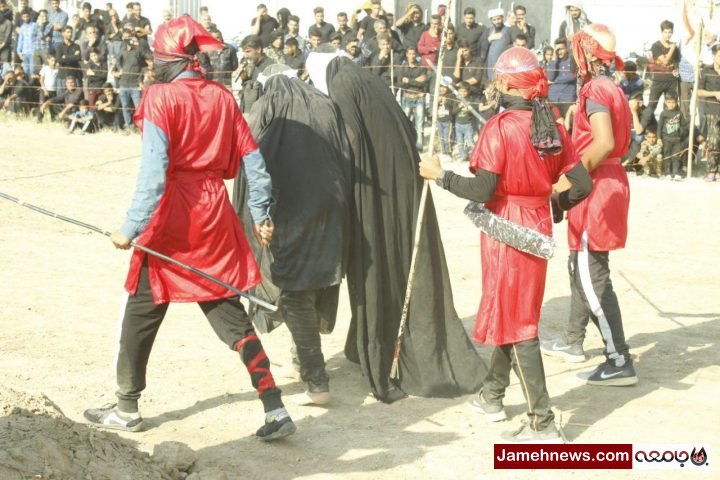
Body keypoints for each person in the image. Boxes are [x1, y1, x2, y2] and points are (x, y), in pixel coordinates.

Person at [83, 15, 296, 441]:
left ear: (172, 57)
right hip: (214, 215)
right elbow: (255, 163)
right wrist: (261, 214)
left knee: (142, 309)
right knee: (225, 309)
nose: (153, 62)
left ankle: (126, 408)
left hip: (172, 217)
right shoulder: (222, 97)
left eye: (158, 55)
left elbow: (155, 173)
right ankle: (275, 407)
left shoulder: (160, 97)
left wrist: (130, 226)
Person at [419, 46, 592, 443]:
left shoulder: (500, 127)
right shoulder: (553, 127)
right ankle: (492, 395)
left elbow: (483, 187)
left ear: (505, 84)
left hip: (505, 229)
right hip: (537, 224)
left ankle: (543, 422)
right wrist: (555, 203)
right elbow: (582, 185)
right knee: (512, 311)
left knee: (519, 323)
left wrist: (439, 175)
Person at [306, 49, 486, 403]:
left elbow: (350, 142)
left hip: (375, 197)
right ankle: (370, 346)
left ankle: (386, 356)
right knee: (404, 266)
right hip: (403, 188)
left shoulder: (342, 86)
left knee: (377, 271)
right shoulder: (368, 79)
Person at [233, 67, 351, 406]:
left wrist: (259, 212)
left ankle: (317, 382)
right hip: (332, 203)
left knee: (295, 290)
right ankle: (302, 361)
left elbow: (248, 149)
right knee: (317, 282)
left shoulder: (270, 101)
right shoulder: (323, 103)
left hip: (291, 207)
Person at [542, 24, 638, 387]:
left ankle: (618, 359)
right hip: (610, 182)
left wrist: (566, 182)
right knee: (582, 265)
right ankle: (572, 339)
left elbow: (602, 142)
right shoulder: (612, 87)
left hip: (596, 186)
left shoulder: (596, 88)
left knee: (592, 273)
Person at [697, 44, 720, 181]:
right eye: (719, 55)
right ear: (713, 56)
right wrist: (715, 93)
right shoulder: (706, 71)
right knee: (713, 141)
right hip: (712, 110)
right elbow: (699, 91)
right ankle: (711, 169)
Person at [398, 46, 426, 149]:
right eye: (409, 54)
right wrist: (415, 80)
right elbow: (400, 83)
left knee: (419, 124)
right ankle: (404, 144)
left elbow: (423, 82)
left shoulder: (421, 67)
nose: (411, 56)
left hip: (419, 98)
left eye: (413, 54)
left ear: (416, 54)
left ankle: (419, 146)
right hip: (407, 97)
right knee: (404, 122)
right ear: (406, 54)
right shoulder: (402, 67)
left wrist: (409, 81)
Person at [238, 34, 274, 113]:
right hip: (251, 113)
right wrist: (245, 79)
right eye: (244, 52)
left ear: (258, 49)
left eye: (248, 51)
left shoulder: (270, 67)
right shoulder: (252, 65)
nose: (246, 56)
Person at [657, 93, 688, 180]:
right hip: (666, 139)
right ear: (665, 102)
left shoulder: (679, 113)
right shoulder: (663, 114)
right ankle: (667, 173)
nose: (671, 104)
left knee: (676, 156)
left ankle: (676, 172)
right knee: (667, 156)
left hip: (677, 140)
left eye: (673, 102)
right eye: (669, 102)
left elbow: (684, 126)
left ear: (677, 102)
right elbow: (659, 126)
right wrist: (659, 138)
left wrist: (681, 134)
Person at [547, 38, 576, 119]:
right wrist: (554, 59)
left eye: (561, 49)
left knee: (568, 126)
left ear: (566, 48)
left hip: (568, 99)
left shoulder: (573, 60)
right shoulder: (553, 61)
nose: (559, 52)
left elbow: (572, 76)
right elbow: (550, 77)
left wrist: (556, 80)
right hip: (554, 99)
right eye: (557, 49)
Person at [482, 8, 512, 81]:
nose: (497, 22)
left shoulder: (509, 30)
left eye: (498, 19)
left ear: (502, 18)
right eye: (494, 20)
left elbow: (511, 48)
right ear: (491, 21)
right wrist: (489, 39)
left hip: (503, 65)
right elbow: (482, 47)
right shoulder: (488, 31)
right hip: (490, 64)